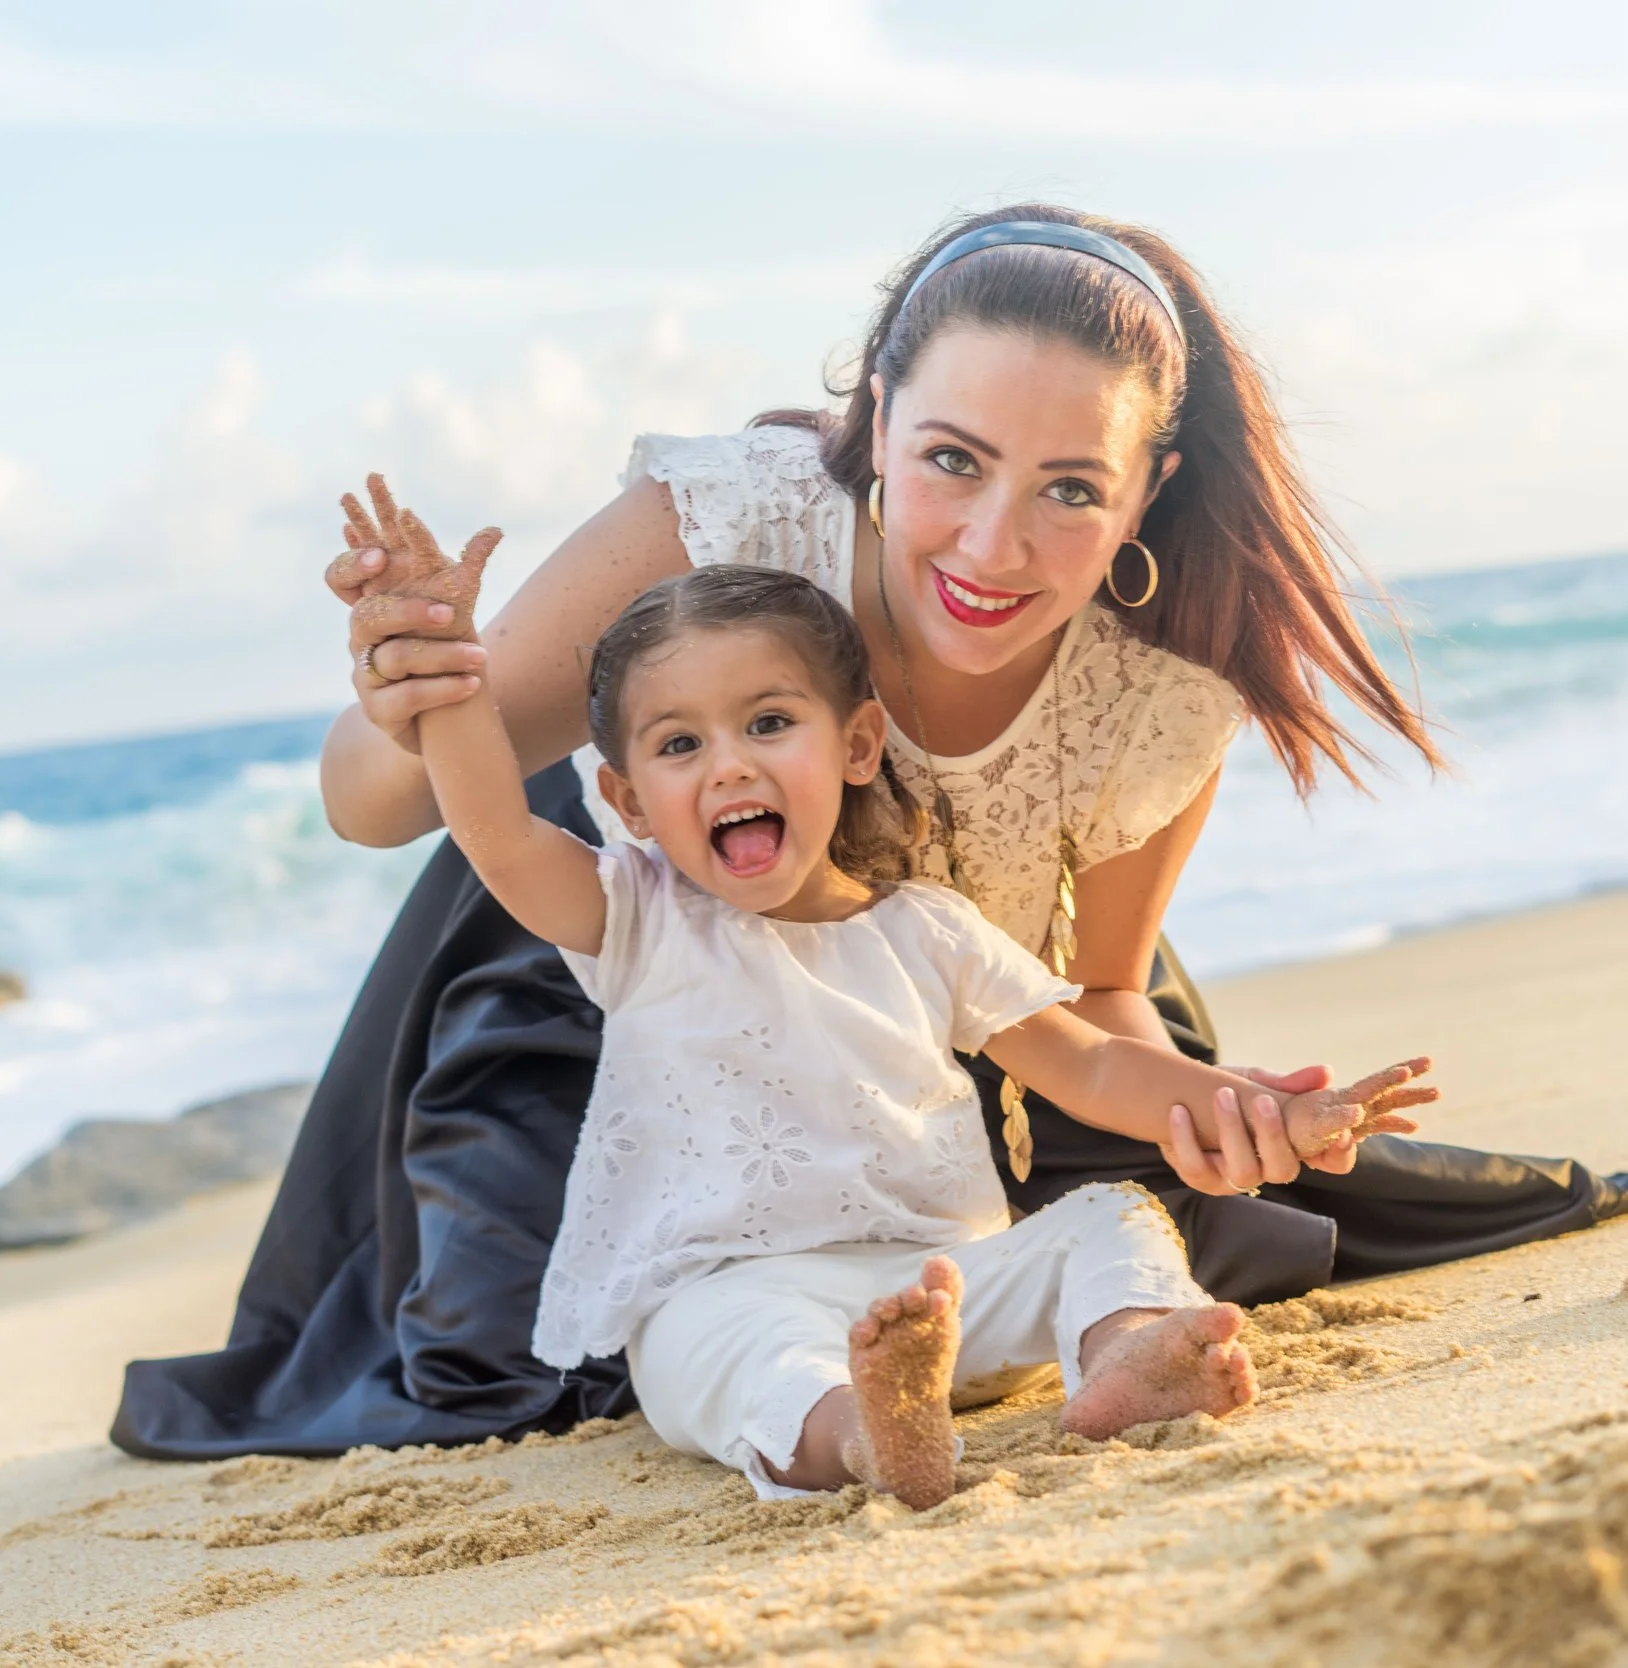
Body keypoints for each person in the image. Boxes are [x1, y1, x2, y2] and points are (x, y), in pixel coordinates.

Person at [113, 206, 1628, 1461]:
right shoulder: (736, 518)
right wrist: (413, 685)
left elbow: (1103, 1003)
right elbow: (373, 806)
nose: (991, 541)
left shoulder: (1160, 689)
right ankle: (806, 1395)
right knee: (506, 1359)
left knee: (1171, 1209)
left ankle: (1091, 1347)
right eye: (954, 460)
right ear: (880, 415)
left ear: (1147, 485)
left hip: (950, 991)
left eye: (1068, 488)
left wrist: (1210, 1105)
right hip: (621, 962)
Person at [378, 534, 1436, 1504]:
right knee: (738, 1357)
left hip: (938, 1285)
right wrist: (441, 664)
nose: (730, 765)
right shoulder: (639, 917)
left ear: (857, 742)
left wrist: (1257, 1106)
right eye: (679, 745)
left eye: (768, 722)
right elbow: (495, 832)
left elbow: (1097, 1071)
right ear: (628, 801)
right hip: (734, 1291)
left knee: (1108, 1217)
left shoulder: (928, 929)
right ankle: (867, 1437)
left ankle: (1125, 1356)